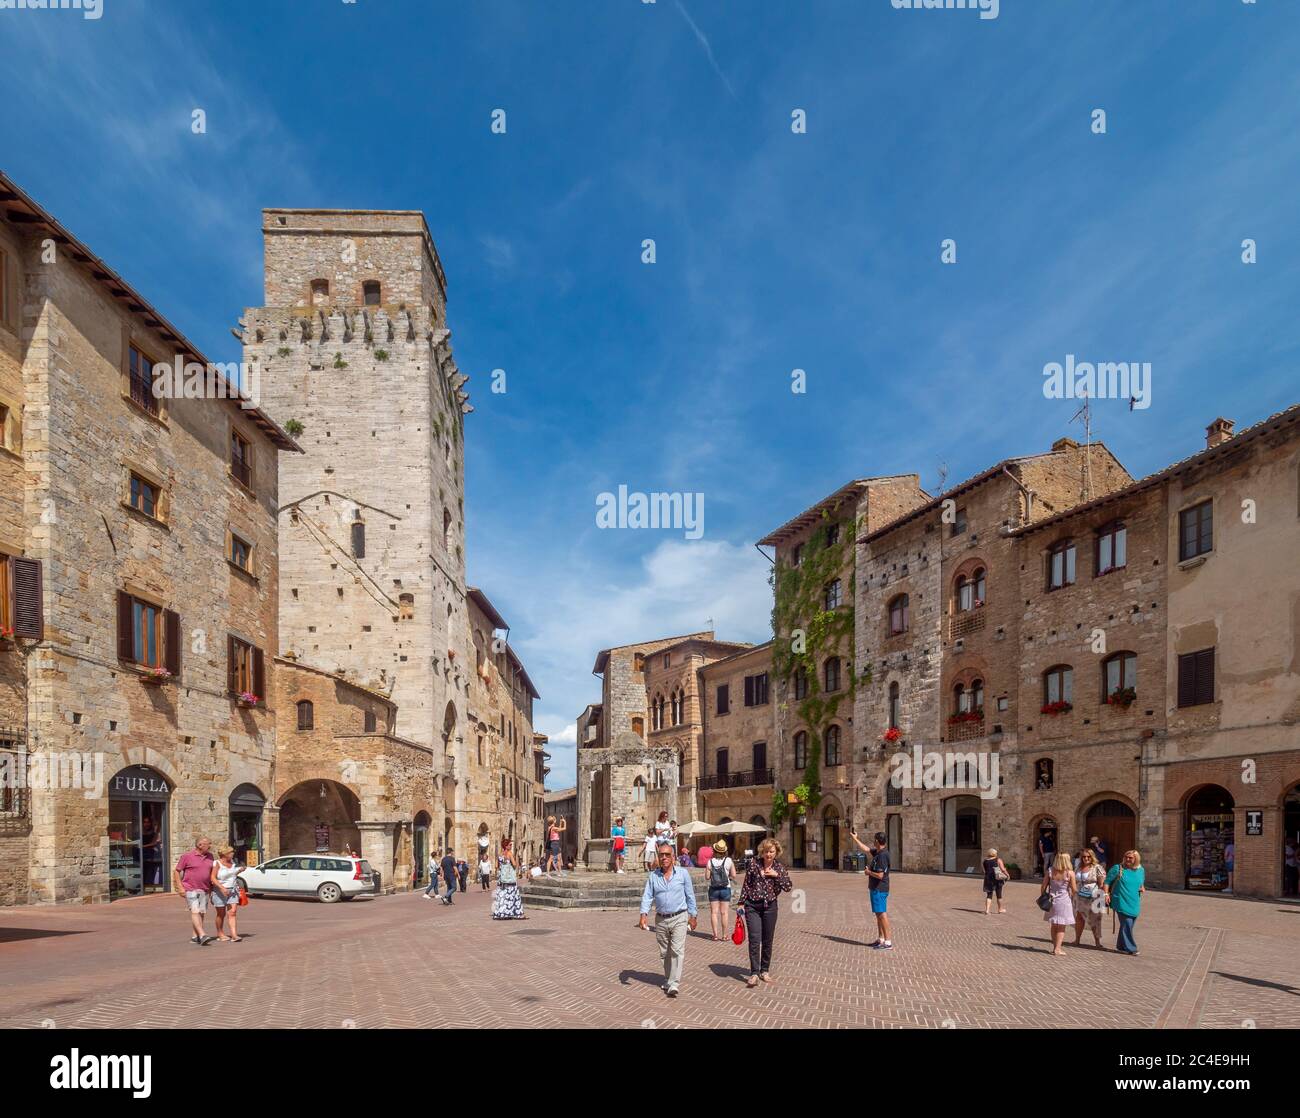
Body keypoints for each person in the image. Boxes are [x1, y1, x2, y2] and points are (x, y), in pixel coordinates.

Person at [638, 841, 698, 997]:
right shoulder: (653, 876)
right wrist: (643, 915)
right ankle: (668, 978)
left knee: (677, 950)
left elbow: (690, 896)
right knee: (664, 952)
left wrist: (693, 915)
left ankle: (674, 983)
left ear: (673, 857)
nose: (664, 858)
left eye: (667, 855)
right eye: (661, 855)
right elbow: (647, 896)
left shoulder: (683, 874)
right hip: (661, 919)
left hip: (679, 917)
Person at [736, 838, 793, 987]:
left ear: (776, 852)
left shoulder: (779, 867)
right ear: (762, 851)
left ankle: (764, 970)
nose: (768, 854)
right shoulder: (754, 864)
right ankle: (754, 972)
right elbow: (747, 884)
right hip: (752, 907)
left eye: (772, 851)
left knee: (767, 940)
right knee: (754, 940)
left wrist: (776, 875)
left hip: (770, 907)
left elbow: (788, 887)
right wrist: (741, 903)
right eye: (766, 851)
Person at [849, 829, 892, 950]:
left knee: (882, 914)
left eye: (874, 840)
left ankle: (888, 942)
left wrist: (868, 872)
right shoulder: (878, 852)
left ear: (878, 841)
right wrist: (855, 838)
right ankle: (881, 939)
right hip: (875, 888)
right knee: (878, 914)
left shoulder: (883, 855)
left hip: (880, 888)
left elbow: (880, 875)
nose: (873, 841)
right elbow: (866, 849)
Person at [173, 836, 215, 945]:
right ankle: (202, 934)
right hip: (190, 888)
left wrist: (211, 888)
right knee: (195, 910)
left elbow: (210, 873)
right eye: (208, 844)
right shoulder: (187, 856)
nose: (210, 846)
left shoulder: (210, 856)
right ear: (200, 845)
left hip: (205, 888)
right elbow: (177, 871)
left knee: (201, 913)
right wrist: (180, 887)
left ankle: (194, 936)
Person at [1104, 849, 1145, 955]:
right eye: (1126, 857)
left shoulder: (1141, 870)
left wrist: (1142, 888)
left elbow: (1141, 883)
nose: (1127, 859)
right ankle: (1131, 948)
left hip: (1134, 900)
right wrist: (1106, 894)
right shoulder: (1117, 868)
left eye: (1130, 858)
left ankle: (1121, 946)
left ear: (1136, 859)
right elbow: (1107, 882)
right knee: (1127, 923)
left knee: (1127, 925)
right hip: (1120, 899)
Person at [1041, 852, 1077, 956]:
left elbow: (1043, 886)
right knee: (1061, 925)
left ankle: (1054, 947)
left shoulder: (1050, 871)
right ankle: (1058, 948)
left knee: (1053, 924)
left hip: (1052, 900)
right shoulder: (1070, 873)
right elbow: (1074, 889)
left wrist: (1044, 897)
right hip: (1064, 901)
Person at [210, 844, 244, 942]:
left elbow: (232, 875)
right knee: (221, 914)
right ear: (225, 854)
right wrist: (221, 888)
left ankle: (234, 935)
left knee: (232, 912)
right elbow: (212, 877)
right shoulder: (217, 863)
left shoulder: (233, 862)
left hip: (233, 890)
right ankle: (220, 933)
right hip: (219, 891)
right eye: (231, 852)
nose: (233, 853)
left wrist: (239, 870)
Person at [1073, 847, 1105, 947]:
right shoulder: (1078, 867)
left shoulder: (1097, 867)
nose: (1086, 858)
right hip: (1080, 896)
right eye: (1084, 857)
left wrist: (1100, 898)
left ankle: (1097, 942)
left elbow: (1101, 884)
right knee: (1079, 918)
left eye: (1088, 857)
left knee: (1095, 919)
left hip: (1095, 896)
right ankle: (1077, 940)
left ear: (1092, 857)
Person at [705, 840, 736, 941]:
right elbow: (734, 875)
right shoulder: (728, 860)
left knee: (714, 913)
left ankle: (715, 935)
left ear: (715, 850)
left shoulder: (710, 861)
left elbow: (707, 877)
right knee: (724, 913)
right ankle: (724, 935)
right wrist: (728, 877)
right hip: (725, 888)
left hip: (714, 889)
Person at [492, 838, 526, 919]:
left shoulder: (500, 854)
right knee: (513, 895)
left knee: (502, 896)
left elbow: (496, 866)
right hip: (510, 879)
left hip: (502, 879)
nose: (511, 846)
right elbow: (514, 865)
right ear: (506, 846)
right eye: (510, 845)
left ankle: (502, 913)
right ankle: (516, 913)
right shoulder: (510, 854)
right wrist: (516, 861)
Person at [982, 847, 1008, 915]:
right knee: (999, 894)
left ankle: (987, 910)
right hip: (997, 878)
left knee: (989, 894)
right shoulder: (998, 860)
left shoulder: (985, 861)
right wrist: (1007, 875)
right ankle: (1000, 909)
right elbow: (1002, 869)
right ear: (994, 853)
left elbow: (984, 871)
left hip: (988, 879)